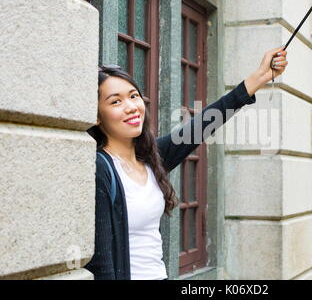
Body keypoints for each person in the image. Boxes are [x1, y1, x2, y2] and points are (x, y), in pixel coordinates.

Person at [84, 47, 288, 280]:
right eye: (115, 101)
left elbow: (202, 125)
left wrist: (260, 77)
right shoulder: (100, 168)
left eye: (133, 96)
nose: (131, 106)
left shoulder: (150, 156)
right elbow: (101, 263)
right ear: (97, 116)